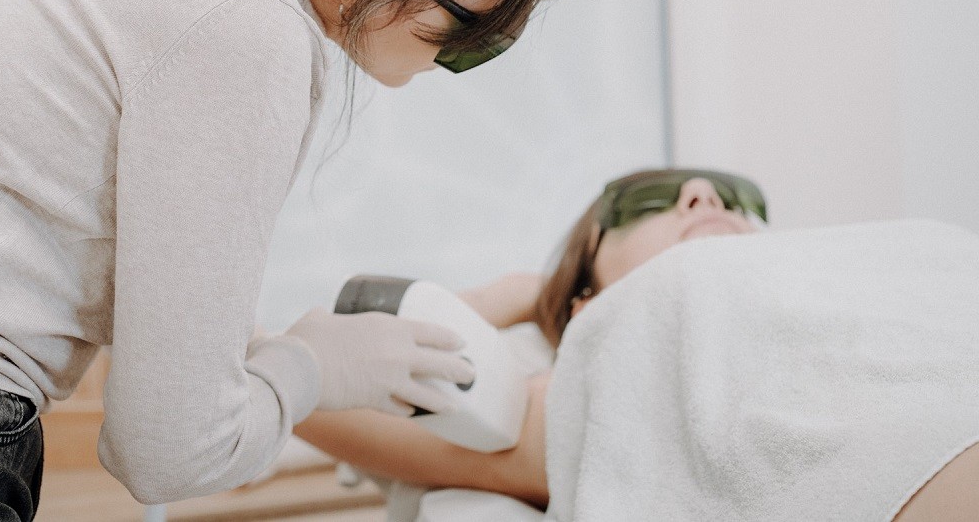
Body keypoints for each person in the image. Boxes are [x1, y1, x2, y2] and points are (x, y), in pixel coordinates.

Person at [0, 0, 597, 519]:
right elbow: (166, 453)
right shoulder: (245, 21)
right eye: (470, 29)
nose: (460, 57)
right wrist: (317, 366)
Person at [295, 168, 979, 521]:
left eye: (740, 201)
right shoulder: (631, 353)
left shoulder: (901, 254)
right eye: (642, 201)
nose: (704, 194)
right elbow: (304, 392)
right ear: (588, 305)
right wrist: (518, 296)